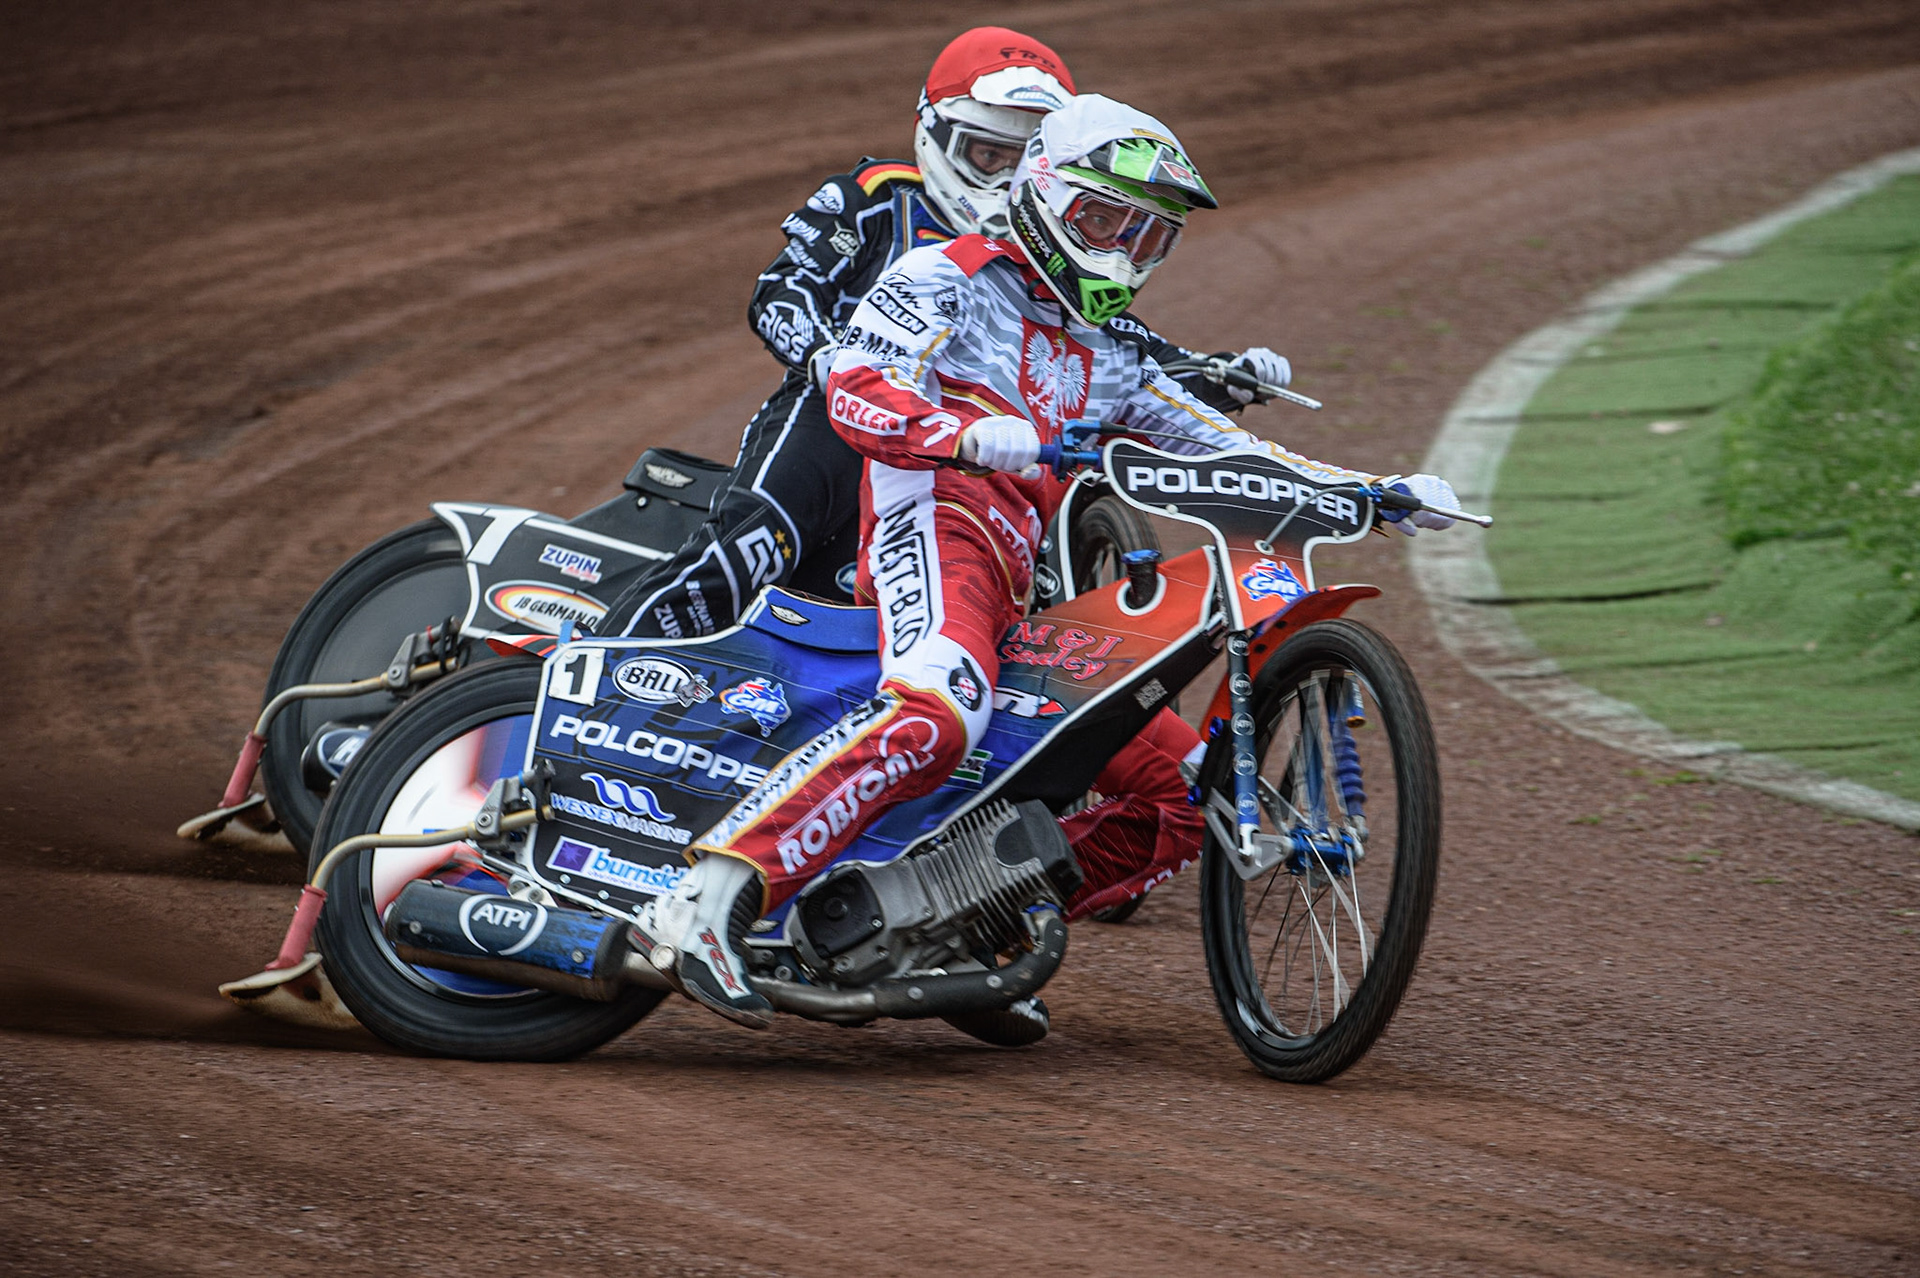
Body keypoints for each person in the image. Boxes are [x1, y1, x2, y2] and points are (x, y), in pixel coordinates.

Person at [633, 93, 1461, 1028]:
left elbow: (1228, 451)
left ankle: (952, 929)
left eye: (1150, 237)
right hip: (932, 523)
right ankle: (705, 900)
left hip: (1021, 581)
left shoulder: (1112, 353)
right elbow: (856, 392)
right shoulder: (941, 275)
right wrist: (959, 433)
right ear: (1043, 194)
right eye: (1105, 221)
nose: (1124, 253)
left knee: (1191, 798)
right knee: (940, 712)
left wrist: (1375, 491)